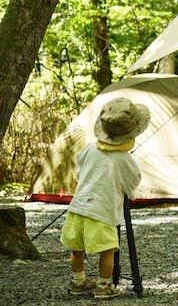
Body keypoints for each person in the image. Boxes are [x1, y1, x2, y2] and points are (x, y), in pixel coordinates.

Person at [60, 97, 149, 299]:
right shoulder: (125, 159)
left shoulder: (89, 149)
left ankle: (78, 280)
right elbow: (132, 183)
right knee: (107, 249)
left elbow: (80, 171)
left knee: (77, 249)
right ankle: (104, 285)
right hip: (102, 211)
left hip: (78, 208)